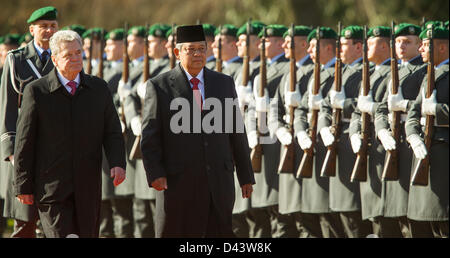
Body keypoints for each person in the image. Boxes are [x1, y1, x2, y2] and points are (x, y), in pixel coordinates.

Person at [140, 24, 255, 237]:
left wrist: (245, 175)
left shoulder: (223, 83)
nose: (197, 54)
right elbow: (149, 136)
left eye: (201, 49)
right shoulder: (160, 86)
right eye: (190, 49)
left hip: (218, 183)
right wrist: (155, 173)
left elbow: (236, 131)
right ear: (177, 52)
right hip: (177, 184)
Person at [13, 29, 126, 238]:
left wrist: (118, 163)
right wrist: (22, 184)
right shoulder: (37, 91)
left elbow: (112, 131)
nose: (75, 59)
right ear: (55, 59)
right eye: (68, 55)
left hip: (88, 186)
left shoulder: (98, 88)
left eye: (78, 53)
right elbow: (24, 141)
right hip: (52, 188)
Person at [0, 6, 59, 238]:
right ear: (32, 29)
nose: (49, 31)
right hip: (24, 152)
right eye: (43, 26)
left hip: (56, 152)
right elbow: (7, 113)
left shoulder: (63, 58)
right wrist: (13, 154)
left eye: (53, 26)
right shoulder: (17, 61)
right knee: (24, 224)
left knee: (52, 224)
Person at [371, 23, 426, 237]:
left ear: (418, 45)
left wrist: (403, 105)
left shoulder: (422, 70)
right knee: (399, 218)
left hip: (412, 145)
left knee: (414, 221)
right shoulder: (394, 70)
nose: (401, 46)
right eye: (398, 42)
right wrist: (381, 130)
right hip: (394, 145)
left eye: (408, 42)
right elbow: (382, 108)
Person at [318, 25, 372, 238]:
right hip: (338, 143)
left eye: (344, 45)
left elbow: (368, 105)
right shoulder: (342, 71)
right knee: (342, 217)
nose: (339, 49)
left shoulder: (366, 71)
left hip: (353, 143)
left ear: (359, 47)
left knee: (354, 219)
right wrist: (323, 128)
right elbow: (325, 105)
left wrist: (346, 104)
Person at [293, 27, 345, 238]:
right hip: (313, 145)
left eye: (314, 46)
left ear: (329, 48)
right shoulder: (316, 73)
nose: (309, 50)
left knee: (330, 219)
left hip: (332, 144)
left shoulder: (339, 73)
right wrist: (300, 131)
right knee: (315, 217)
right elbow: (302, 110)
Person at [267, 25, 314, 237]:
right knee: (288, 217)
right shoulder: (289, 73)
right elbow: (274, 109)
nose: (284, 45)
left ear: (304, 44)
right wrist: (279, 130)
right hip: (288, 145)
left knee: (306, 218)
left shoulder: (313, 70)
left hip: (306, 143)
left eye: (290, 41)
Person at [349, 26, 396, 237]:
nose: (367, 45)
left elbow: (388, 108)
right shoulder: (370, 73)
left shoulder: (391, 73)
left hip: (384, 144)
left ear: (386, 46)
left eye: (373, 42)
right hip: (369, 149)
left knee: (387, 220)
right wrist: (353, 133)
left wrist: (372, 108)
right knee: (375, 218)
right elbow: (358, 112)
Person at [405, 25, 448, 238]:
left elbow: (427, 109)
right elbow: (413, 111)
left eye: (425, 45)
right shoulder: (428, 74)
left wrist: (437, 110)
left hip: (444, 157)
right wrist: (413, 135)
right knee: (427, 225)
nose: (420, 49)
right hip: (425, 154)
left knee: (443, 225)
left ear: (441, 47)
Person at [246, 24, 289, 238]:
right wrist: (251, 131)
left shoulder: (287, 68)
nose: (261, 44)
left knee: (278, 208)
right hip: (262, 139)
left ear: (281, 43)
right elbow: (253, 108)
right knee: (267, 208)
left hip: (277, 141)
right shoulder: (261, 70)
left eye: (267, 40)